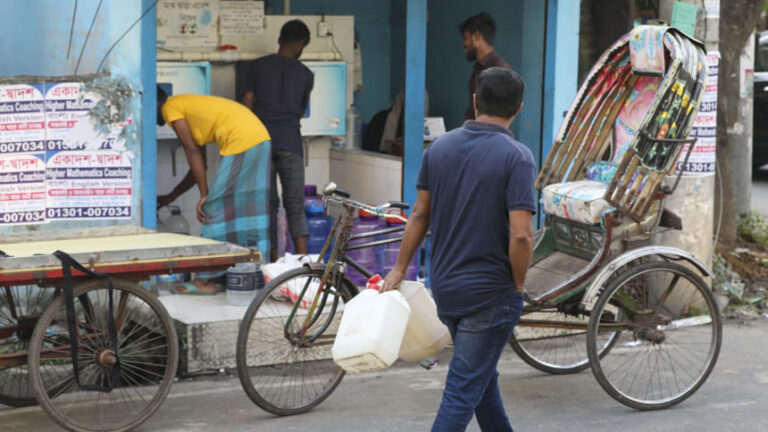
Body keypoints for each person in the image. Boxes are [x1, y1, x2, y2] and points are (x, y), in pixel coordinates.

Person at [382, 67, 536, 432]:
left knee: (481, 382)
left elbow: (419, 213)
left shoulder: (440, 147)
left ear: (474, 101)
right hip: (489, 295)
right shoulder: (517, 156)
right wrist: (517, 286)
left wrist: (399, 269)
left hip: (446, 290)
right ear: (519, 107)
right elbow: (521, 236)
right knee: (462, 392)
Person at [157, 87, 271, 294]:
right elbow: (197, 165)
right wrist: (171, 196)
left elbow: (191, 151)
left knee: (214, 208)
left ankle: (207, 280)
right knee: (245, 210)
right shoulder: (185, 105)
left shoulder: (169, 107)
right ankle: (249, 273)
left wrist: (205, 196)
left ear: (156, 103)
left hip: (242, 139)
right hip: (258, 137)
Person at [242, 19, 314, 261]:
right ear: (300, 44)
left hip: (262, 142)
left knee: (269, 206)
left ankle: (273, 263)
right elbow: (301, 111)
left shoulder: (257, 67)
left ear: (280, 39)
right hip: (291, 143)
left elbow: (247, 106)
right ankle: (304, 263)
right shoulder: (306, 75)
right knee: (295, 204)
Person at [459, 11, 512, 120]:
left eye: (466, 38)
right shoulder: (478, 69)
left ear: (477, 36)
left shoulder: (500, 70)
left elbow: (499, 116)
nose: (463, 45)